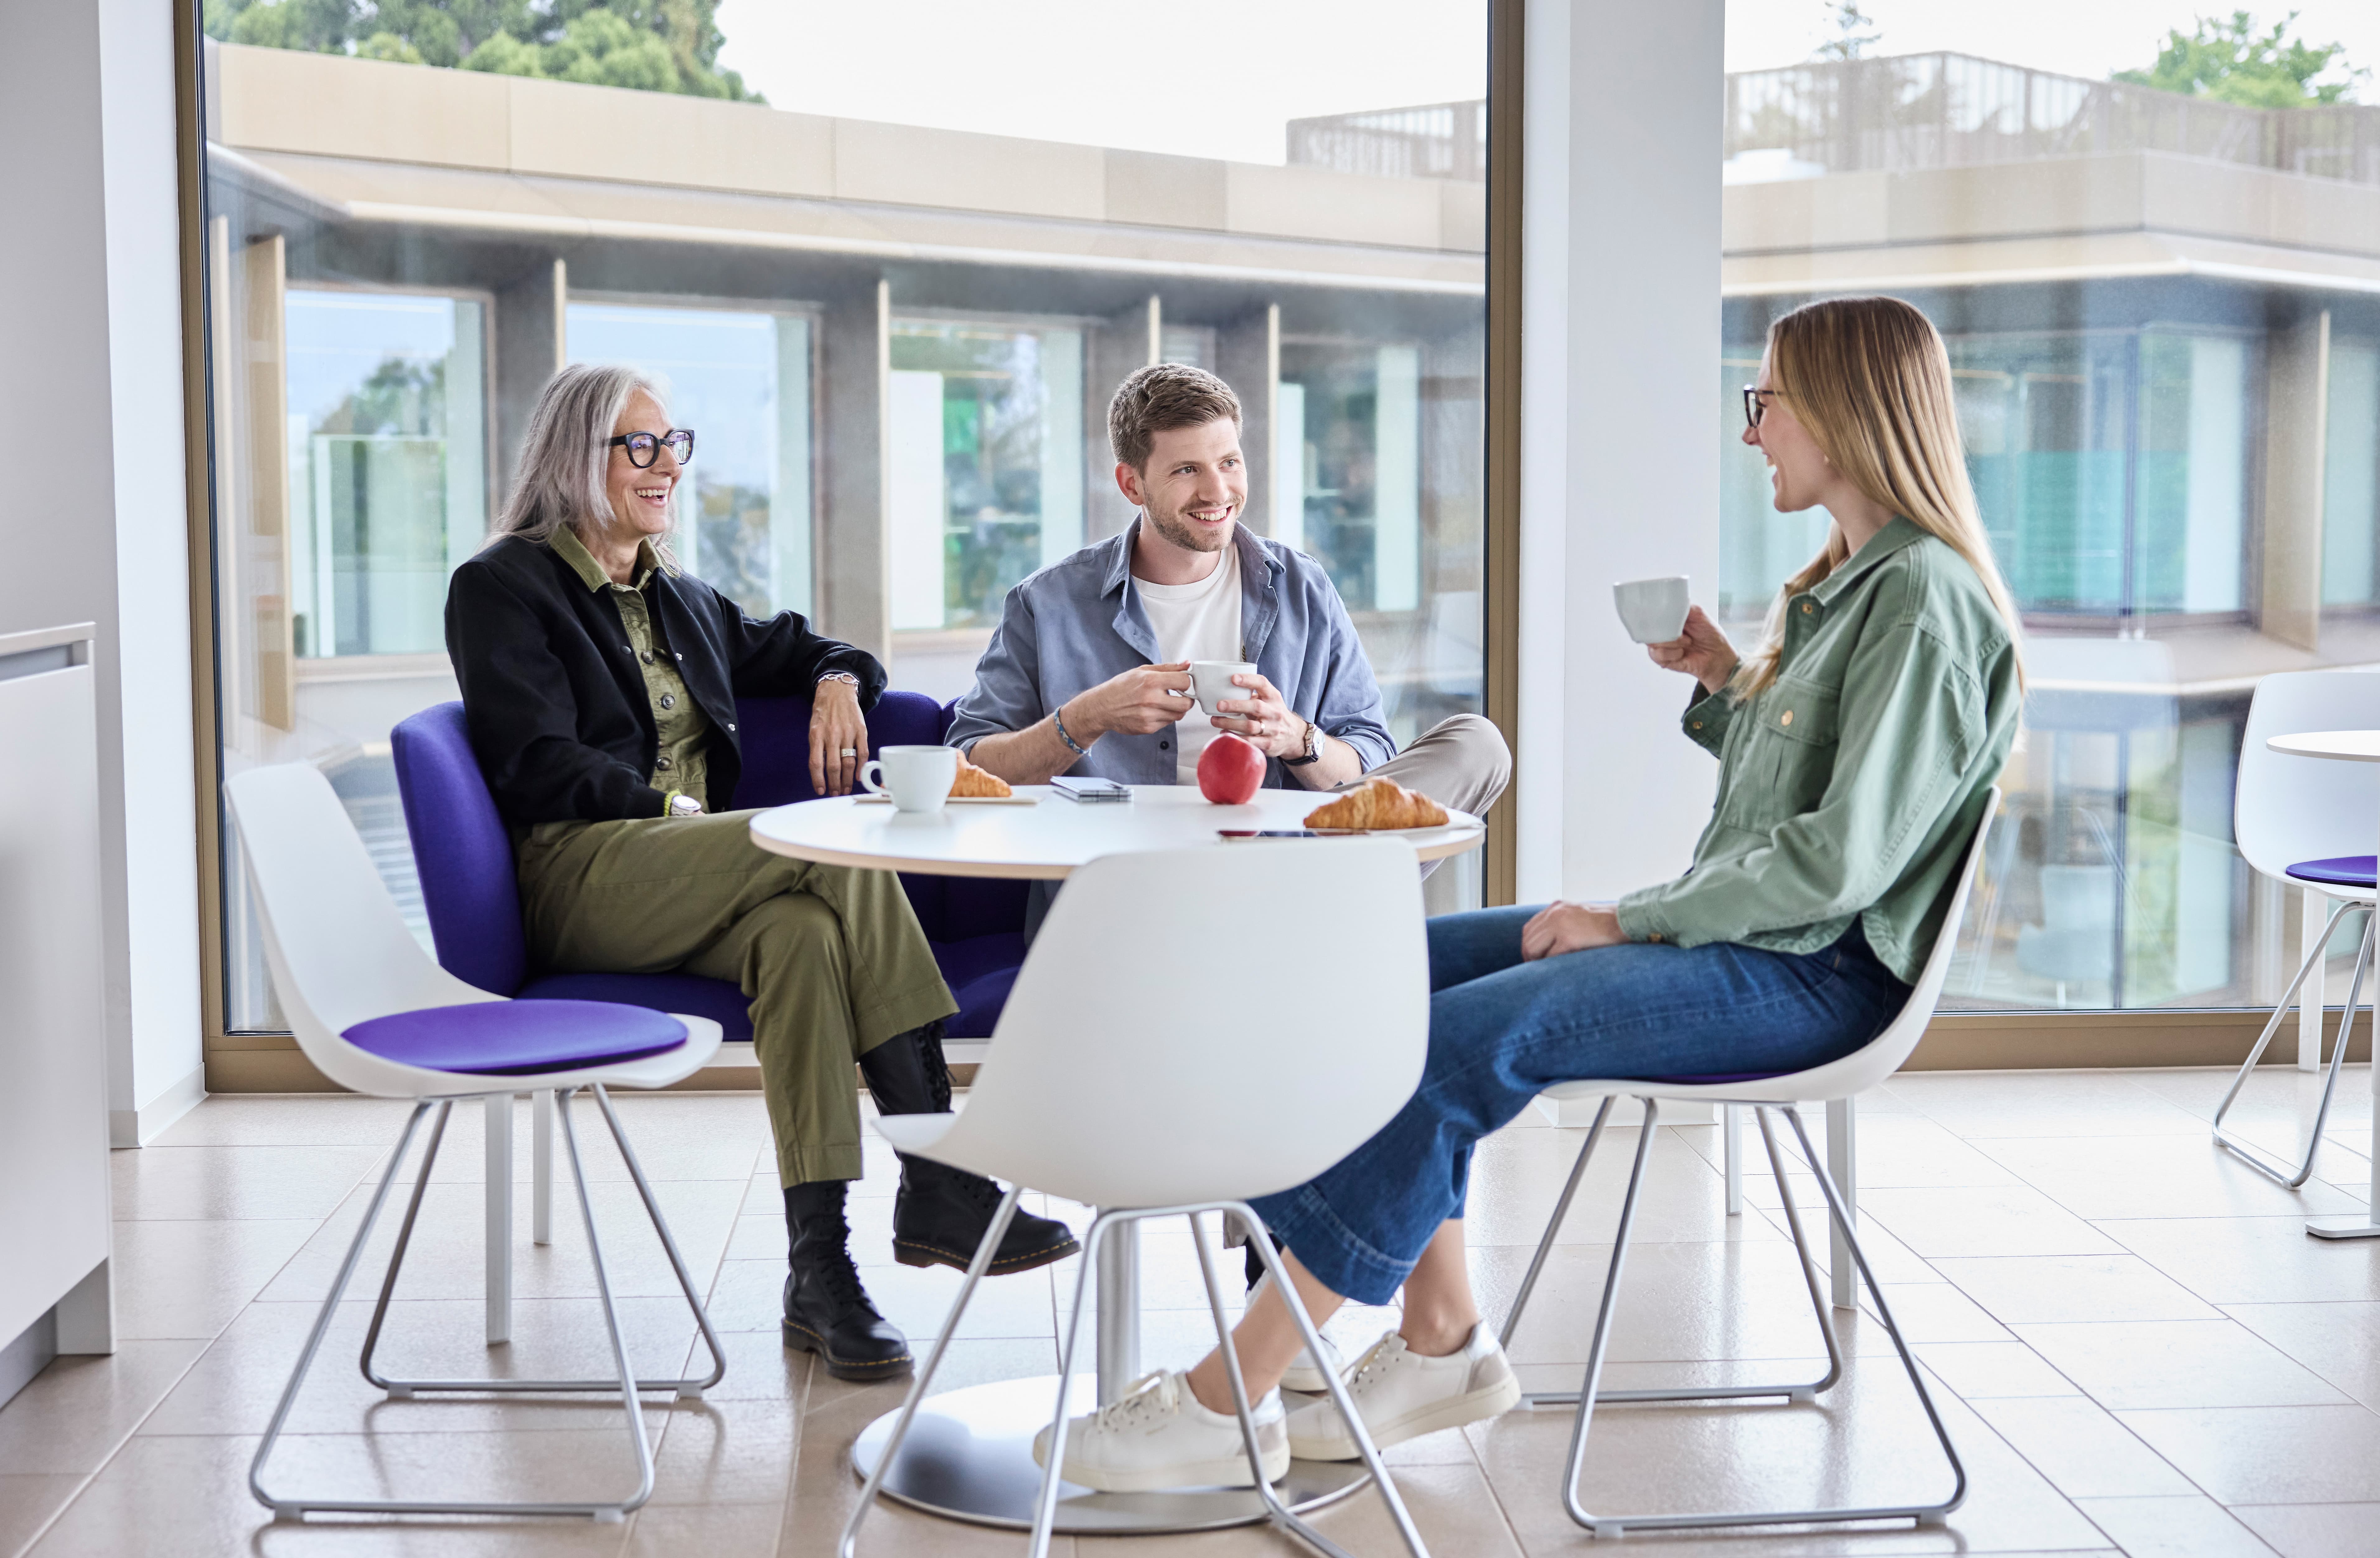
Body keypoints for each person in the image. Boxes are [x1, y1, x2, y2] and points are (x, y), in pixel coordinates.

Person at [1034, 295, 2026, 1491]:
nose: (1752, 430)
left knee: (1448, 1046)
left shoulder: (1918, 600)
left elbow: (1839, 862)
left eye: (1766, 402)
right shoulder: (1846, 586)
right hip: (1755, 937)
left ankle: (1223, 1393)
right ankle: (1439, 1333)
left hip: (1810, 971)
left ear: (1845, 413)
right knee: (1360, 983)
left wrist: (1626, 918)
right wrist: (1726, 682)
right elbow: (1811, 787)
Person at [445, 363, 1076, 1384]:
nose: (664, 468)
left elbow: (825, 648)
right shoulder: (502, 587)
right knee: (832, 841)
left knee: (803, 935)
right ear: (576, 457)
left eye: (672, 444)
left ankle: (818, 1273)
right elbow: (532, 758)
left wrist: (833, 682)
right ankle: (937, 1171)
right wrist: (679, 813)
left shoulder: (683, 601)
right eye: (637, 446)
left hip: (695, 881)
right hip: (583, 872)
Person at [950, 362, 1509, 827]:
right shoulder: (1046, 604)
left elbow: (1369, 763)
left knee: (1478, 742)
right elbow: (968, 766)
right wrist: (1086, 718)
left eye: (1230, 463)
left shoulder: (1302, 587)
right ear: (1132, 484)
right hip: (1123, 873)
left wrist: (1296, 736)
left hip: (1281, 860)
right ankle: (1337, 913)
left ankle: (1316, 901)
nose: (1218, 492)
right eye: (1188, 469)